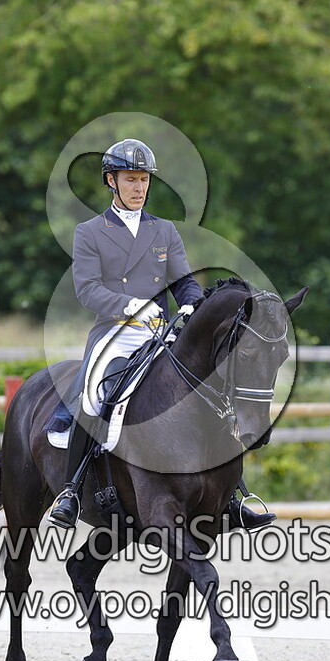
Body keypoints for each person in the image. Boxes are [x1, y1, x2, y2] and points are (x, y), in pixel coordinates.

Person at [47, 138, 275, 532]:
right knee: (93, 396)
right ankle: (70, 490)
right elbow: (87, 290)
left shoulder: (164, 230)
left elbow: (183, 281)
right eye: (130, 180)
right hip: (114, 332)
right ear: (111, 181)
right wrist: (130, 305)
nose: (139, 187)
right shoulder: (90, 232)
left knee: (211, 394)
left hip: (160, 332)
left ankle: (232, 496)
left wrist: (192, 305)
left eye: (143, 180)